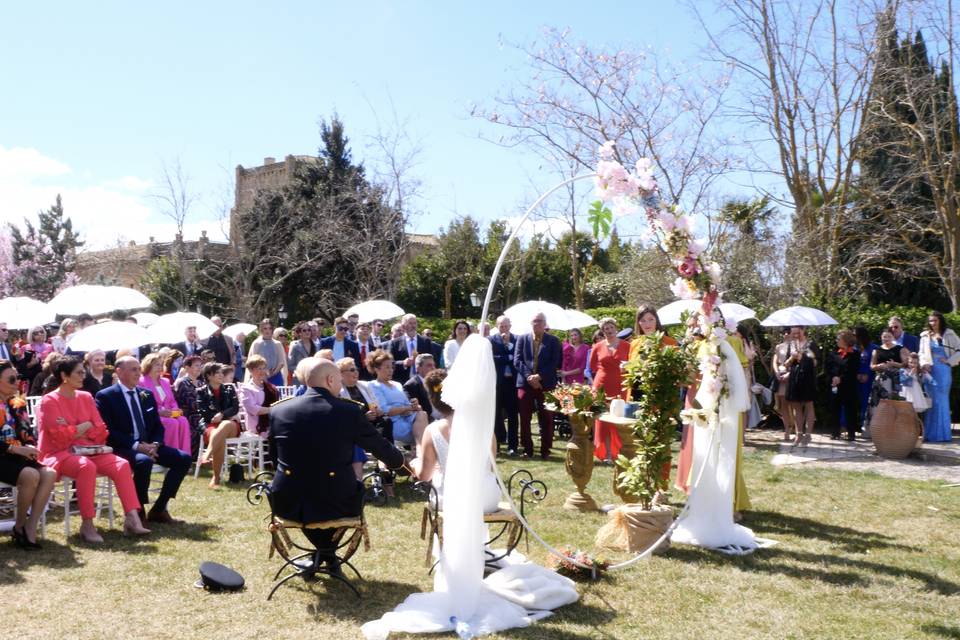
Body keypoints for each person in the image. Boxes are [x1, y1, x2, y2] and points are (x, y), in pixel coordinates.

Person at [268, 357, 404, 571]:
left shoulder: (279, 410)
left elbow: (274, 458)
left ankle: (323, 558)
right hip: (337, 501)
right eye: (339, 380)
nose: (341, 386)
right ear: (330, 380)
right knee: (349, 489)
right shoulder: (348, 411)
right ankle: (328, 557)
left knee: (314, 494)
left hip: (287, 500)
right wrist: (402, 463)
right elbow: (380, 447)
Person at [39, 356, 150, 541]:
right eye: (79, 372)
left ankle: (132, 518)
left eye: (84, 372)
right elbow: (59, 437)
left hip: (89, 449)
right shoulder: (50, 401)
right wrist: (85, 426)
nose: (84, 375)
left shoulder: (86, 396)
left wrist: (75, 429)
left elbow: (101, 431)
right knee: (86, 467)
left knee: (121, 464)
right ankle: (87, 524)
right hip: (59, 453)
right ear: (64, 376)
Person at [96, 356, 192, 525]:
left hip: (149, 445)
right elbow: (109, 431)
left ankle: (159, 509)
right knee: (144, 462)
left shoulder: (146, 394)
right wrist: (136, 446)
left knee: (183, 459)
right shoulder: (106, 396)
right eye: (133, 369)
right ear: (119, 372)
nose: (138, 373)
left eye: (138, 369)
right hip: (122, 446)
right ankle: (138, 510)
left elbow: (157, 426)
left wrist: (155, 444)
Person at [411, 368, 500, 512]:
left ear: (433, 399)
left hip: (451, 500)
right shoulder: (485, 425)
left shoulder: (433, 430)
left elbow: (424, 476)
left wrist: (417, 456)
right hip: (487, 498)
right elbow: (489, 467)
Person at [0, 359, 56, 548]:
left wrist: (30, 448)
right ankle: (20, 526)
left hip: (17, 456)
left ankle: (29, 527)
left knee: (49, 473)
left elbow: (26, 432)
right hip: (2, 456)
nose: (17, 382)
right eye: (11, 379)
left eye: (18, 378)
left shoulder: (17, 403)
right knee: (31, 475)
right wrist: (15, 449)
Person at [514, 312, 563, 460]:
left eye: (540, 321)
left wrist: (539, 376)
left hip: (546, 384)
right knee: (524, 417)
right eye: (534, 321)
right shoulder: (522, 339)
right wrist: (529, 376)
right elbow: (517, 360)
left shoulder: (554, 341)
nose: (537, 323)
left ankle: (545, 450)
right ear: (531, 323)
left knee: (547, 417)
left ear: (545, 323)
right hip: (525, 383)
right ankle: (527, 449)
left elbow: (555, 362)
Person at [366, 349, 429, 453]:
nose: (391, 370)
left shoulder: (397, 384)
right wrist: (407, 408)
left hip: (408, 418)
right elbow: (385, 410)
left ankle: (420, 451)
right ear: (377, 369)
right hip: (393, 423)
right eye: (387, 367)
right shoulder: (374, 385)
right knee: (422, 424)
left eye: (392, 367)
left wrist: (414, 406)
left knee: (422, 414)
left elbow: (407, 406)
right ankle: (421, 452)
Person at [590, 317, 631, 463]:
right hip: (601, 386)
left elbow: (632, 364)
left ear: (616, 328)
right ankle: (607, 453)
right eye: (606, 328)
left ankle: (621, 453)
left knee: (620, 418)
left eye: (611, 327)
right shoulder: (597, 346)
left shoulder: (627, 346)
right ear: (602, 331)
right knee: (603, 420)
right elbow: (593, 366)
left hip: (621, 385)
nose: (609, 330)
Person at [196, 362, 242, 487]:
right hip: (211, 425)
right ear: (209, 376)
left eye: (222, 372)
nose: (221, 375)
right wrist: (215, 417)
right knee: (218, 436)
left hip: (231, 425)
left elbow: (235, 408)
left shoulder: (229, 388)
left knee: (226, 424)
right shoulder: (201, 391)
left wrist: (222, 415)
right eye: (217, 373)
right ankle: (216, 478)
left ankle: (207, 454)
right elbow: (203, 412)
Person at [139, 353, 192, 455]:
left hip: (169, 413)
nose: (159, 367)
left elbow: (172, 401)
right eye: (156, 365)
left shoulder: (165, 381)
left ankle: (185, 456)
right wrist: (160, 412)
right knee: (172, 423)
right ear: (148, 365)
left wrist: (176, 410)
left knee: (183, 420)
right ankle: (172, 456)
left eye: (160, 364)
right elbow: (144, 404)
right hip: (153, 415)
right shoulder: (141, 382)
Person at [919, 311, 959, 442]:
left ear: (940, 320)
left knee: (941, 401)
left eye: (935, 320)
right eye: (931, 321)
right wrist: (924, 364)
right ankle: (930, 435)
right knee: (931, 402)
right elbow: (921, 353)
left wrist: (949, 361)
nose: (933, 323)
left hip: (943, 371)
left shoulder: (949, 333)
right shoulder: (925, 336)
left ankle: (942, 435)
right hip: (929, 371)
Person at [784, 326, 819, 446]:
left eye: (797, 332)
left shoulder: (811, 344)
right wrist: (791, 358)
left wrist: (802, 357)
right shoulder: (792, 345)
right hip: (795, 377)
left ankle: (808, 435)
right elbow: (787, 364)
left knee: (809, 404)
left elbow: (815, 362)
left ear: (803, 331)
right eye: (792, 333)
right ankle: (798, 434)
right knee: (795, 406)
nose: (795, 335)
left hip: (808, 378)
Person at [489, 315, 519, 454]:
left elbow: (518, 359)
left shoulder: (517, 339)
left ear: (510, 326)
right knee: (495, 415)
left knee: (513, 415)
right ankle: (497, 445)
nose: (504, 329)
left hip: (512, 383)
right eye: (501, 326)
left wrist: (508, 348)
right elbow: (492, 359)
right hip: (497, 383)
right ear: (497, 326)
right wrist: (508, 356)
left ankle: (513, 445)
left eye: (506, 326)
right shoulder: (491, 340)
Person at [869, 327, 907, 428]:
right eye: (884, 336)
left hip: (895, 380)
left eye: (889, 336)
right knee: (879, 404)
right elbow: (872, 366)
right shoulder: (877, 350)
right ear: (881, 337)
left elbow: (905, 364)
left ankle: (893, 427)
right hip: (880, 380)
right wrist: (878, 366)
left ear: (893, 337)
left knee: (893, 403)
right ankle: (878, 428)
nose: (886, 339)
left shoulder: (900, 348)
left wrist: (894, 364)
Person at [828, 330, 861, 441]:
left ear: (846, 341)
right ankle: (835, 432)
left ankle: (851, 433)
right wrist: (833, 377)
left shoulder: (855, 354)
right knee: (834, 408)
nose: (837, 340)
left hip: (848, 386)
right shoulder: (834, 352)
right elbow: (829, 367)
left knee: (850, 409)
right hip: (835, 385)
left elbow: (852, 370)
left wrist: (840, 378)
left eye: (839, 338)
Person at [387, 314, 434, 384]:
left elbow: (432, 360)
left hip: (422, 381)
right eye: (410, 323)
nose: (413, 326)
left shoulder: (426, 341)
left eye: (415, 323)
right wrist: (403, 363)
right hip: (403, 381)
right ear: (403, 326)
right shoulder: (395, 343)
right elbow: (390, 363)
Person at [239, 354, 278, 437]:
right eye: (259, 368)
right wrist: (272, 409)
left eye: (264, 368)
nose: (262, 371)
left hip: (271, 424)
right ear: (251, 370)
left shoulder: (270, 387)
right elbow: (253, 409)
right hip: (256, 427)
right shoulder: (246, 388)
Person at [173, 355, 204, 456]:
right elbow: (192, 404)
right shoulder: (183, 383)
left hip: (200, 413)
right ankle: (195, 456)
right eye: (196, 365)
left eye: (200, 365)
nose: (199, 368)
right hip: (188, 415)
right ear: (187, 368)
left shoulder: (201, 383)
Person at [248, 318, 288, 387]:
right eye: (265, 328)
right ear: (261, 330)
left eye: (269, 328)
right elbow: (252, 362)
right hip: (260, 376)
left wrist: (273, 373)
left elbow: (281, 362)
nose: (267, 331)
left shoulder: (277, 344)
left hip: (276, 377)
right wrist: (263, 373)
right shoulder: (256, 343)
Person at [403, 353, 438, 420]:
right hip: (427, 420)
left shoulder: (436, 382)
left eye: (434, 365)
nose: (433, 368)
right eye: (429, 365)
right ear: (418, 368)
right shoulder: (411, 386)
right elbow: (413, 410)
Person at [854, 326, 876, 428]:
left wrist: (867, 373)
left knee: (866, 401)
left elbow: (873, 363)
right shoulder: (855, 348)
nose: (854, 336)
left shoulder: (873, 348)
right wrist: (857, 373)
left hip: (868, 378)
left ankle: (864, 425)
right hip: (856, 378)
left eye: (855, 334)